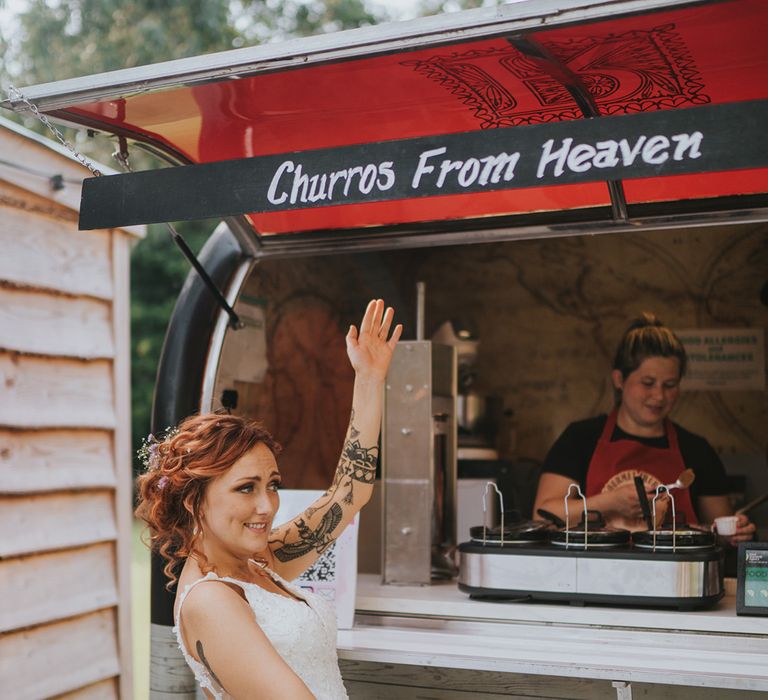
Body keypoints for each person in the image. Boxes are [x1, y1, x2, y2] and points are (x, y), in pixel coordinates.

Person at [135, 299, 402, 700]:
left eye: (272, 484)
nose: (268, 505)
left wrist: (368, 377)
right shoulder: (211, 601)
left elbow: (350, 494)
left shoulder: (260, 563)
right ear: (194, 501)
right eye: (246, 488)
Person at [533, 313, 755, 541]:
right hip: (595, 572)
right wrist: (609, 503)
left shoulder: (697, 450)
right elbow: (543, 518)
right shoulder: (580, 438)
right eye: (647, 383)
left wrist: (737, 533)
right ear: (619, 380)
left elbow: (721, 531)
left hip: (674, 574)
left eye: (670, 385)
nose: (659, 396)